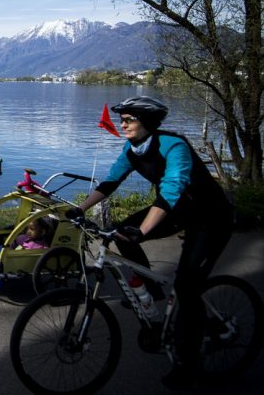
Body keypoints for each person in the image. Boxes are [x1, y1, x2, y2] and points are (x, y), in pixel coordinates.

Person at [67, 96, 234, 389]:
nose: (122, 124)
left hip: (210, 218)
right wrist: (79, 209)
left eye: (128, 120)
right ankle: (152, 288)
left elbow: (170, 191)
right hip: (180, 211)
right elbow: (110, 183)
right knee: (119, 232)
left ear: (146, 122)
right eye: (122, 120)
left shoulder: (173, 145)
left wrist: (142, 231)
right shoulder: (132, 150)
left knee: (186, 287)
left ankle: (188, 364)